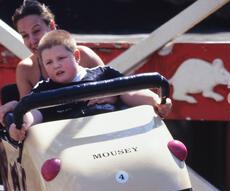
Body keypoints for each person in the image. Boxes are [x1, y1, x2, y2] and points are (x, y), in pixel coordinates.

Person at [9, 29, 172, 141]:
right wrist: (20, 125)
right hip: (70, 148)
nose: (56, 65)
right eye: (49, 62)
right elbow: (32, 113)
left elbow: (131, 93)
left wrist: (156, 101)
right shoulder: (43, 91)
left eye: (61, 58)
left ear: (77, 56)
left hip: (115, 137)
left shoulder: (103, 75)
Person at [0, 0, 104, 125]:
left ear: (52, 26)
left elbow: (113, 88)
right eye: (25, 35)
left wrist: (111, 96)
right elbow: (28, 113)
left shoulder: (85, 55)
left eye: (36, 31)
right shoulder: (26, 69)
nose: (32, 40)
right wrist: (17, 107)